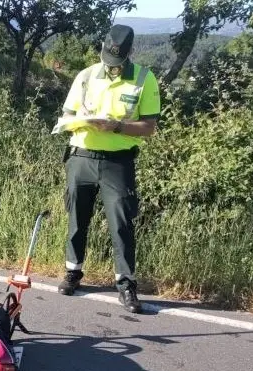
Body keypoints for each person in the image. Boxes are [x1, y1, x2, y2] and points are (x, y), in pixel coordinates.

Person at [56, 24, 161, 313]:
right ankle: (73, 272)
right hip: (81, 157)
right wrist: (77, 121)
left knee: (122, 224)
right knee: (77, 219)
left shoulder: (144, 79)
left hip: (118, 162)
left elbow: (149, 127)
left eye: (117, 61)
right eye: (107, 58)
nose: (110, 65)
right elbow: (67, 113)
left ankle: (126, 284)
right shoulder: (86, 75)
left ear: (129, 54)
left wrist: (115, 125)